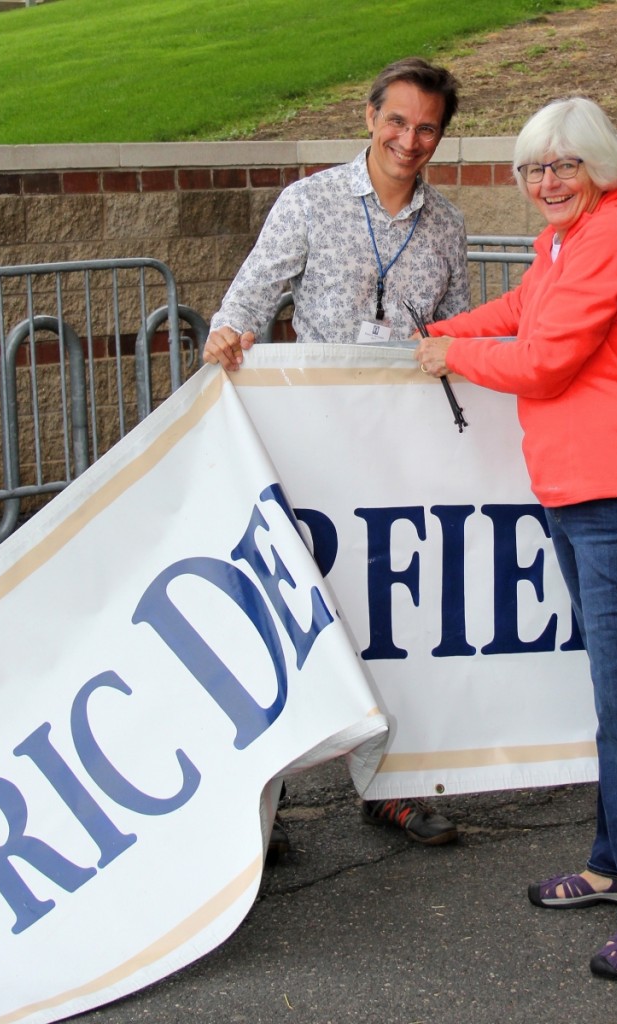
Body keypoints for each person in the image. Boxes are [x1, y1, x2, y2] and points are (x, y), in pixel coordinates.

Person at [414, 97, 617, 980]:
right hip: (586, 491)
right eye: (534, 168)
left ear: (599, 168)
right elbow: (520, 309)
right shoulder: (565, 242)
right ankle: (616, 868)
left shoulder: (612, 238)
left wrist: (448, 358)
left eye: (564, 166)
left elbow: (542, 362)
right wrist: (441, 331)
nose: (546, 183)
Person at [204, 57, 470, 853]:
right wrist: (227, 334)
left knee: (395, 616)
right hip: (310, 446)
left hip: (399, 454)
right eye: (397, 121)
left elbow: (453, 335)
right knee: (288, 617)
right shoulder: (309, 202)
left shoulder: (448, 224)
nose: (409, 140)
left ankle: (388, 786)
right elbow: (247, 301)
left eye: (426, 128)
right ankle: (262, 808)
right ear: (369, 117)